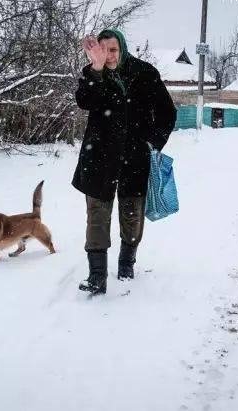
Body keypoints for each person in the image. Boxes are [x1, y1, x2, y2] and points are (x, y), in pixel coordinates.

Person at [73, 29, 177, 294]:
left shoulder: (145, 73)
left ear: (123, 48)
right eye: (104, 50)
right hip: (99, 157)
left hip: (135, 157)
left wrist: (152, 142)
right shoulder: (94, 73)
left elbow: (167, 112)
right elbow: (84, 100)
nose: (109, 56)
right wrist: (95, 69)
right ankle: (97, 276)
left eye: (114, 49)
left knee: (132, 214)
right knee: (97, 215)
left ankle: (127, 261)